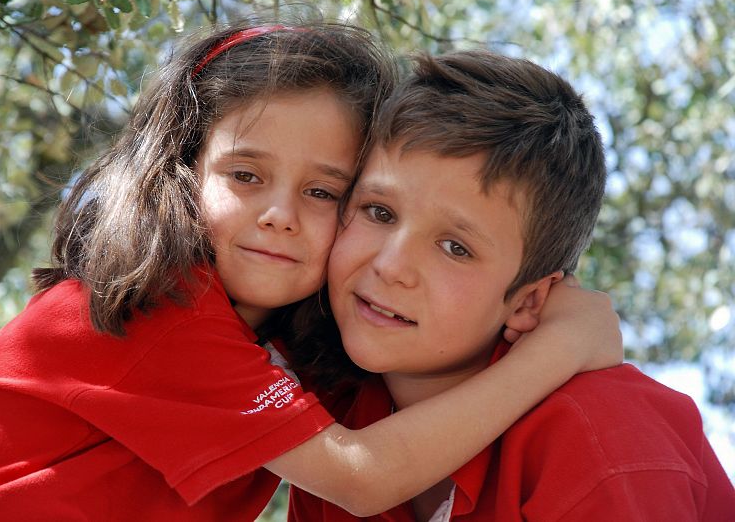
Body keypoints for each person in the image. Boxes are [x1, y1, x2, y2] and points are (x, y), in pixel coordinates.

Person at [0, 24, 621, 521]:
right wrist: (559, 347)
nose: (280, 216)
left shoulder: (285, 351)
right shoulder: (154, 307)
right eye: (245, 175)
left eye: (323, 192)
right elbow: (361, 477)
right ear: (181, 170)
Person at [288, 50, 735, 521]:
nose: (391, 265)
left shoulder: (602, 439)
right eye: (379, 212)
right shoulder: (338, 422)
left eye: (455, 248)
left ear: (528, 300)